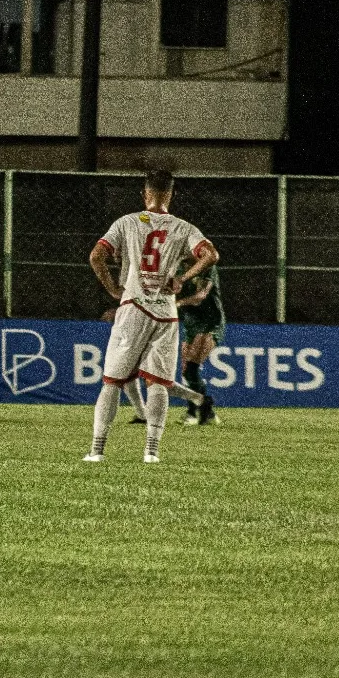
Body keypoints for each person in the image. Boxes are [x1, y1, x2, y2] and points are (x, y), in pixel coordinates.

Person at [85, 169, 218, 464]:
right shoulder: (184, 228)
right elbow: (210, 254)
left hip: (134, 306)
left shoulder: (128, 222)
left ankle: (97, 450)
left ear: (145, 194)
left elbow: (96, 256)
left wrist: (113, 289)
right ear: (170, 195)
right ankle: (151, 452)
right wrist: (183, 278)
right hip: (166, 313)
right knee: (158, 383)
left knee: (112, 381)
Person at [176, 263, 226, 426]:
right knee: (187, 372)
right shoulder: (176, 266)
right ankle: (208, 412)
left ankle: (193, 412)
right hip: (191, 323)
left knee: (192, 368)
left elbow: (200, 296)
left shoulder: (206, 265)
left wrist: (177, 303)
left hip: (210, 322)